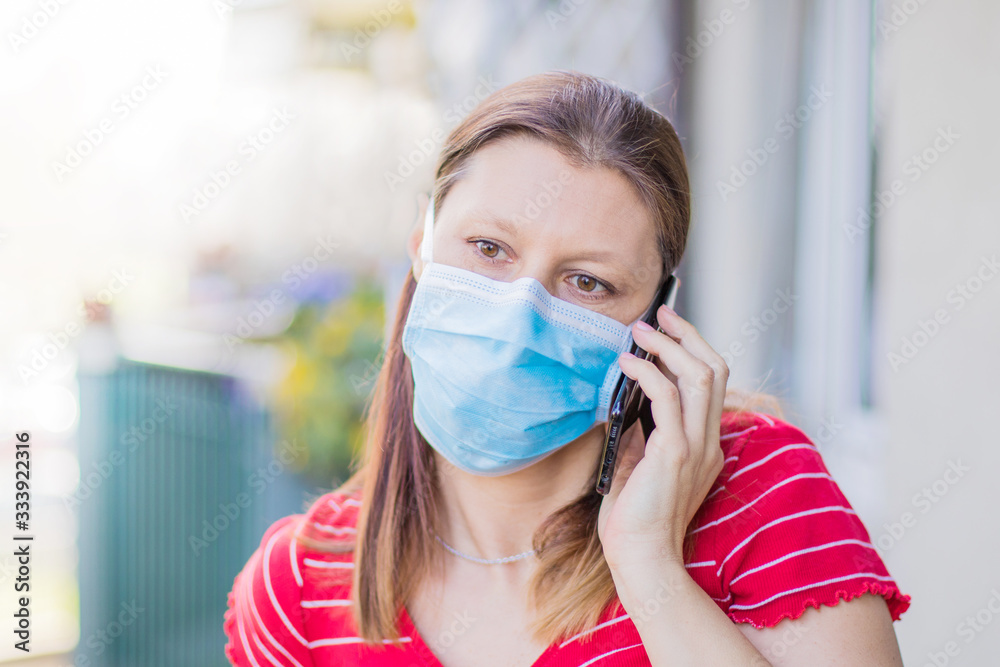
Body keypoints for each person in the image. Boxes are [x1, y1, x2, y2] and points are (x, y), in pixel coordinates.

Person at [224, 70, 910, 666]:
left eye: (587, 282)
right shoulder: (299, 586)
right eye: (488, 247)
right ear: (420, 249)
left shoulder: (760, 493)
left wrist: (651, 570)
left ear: (654, 319)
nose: (520, 313)